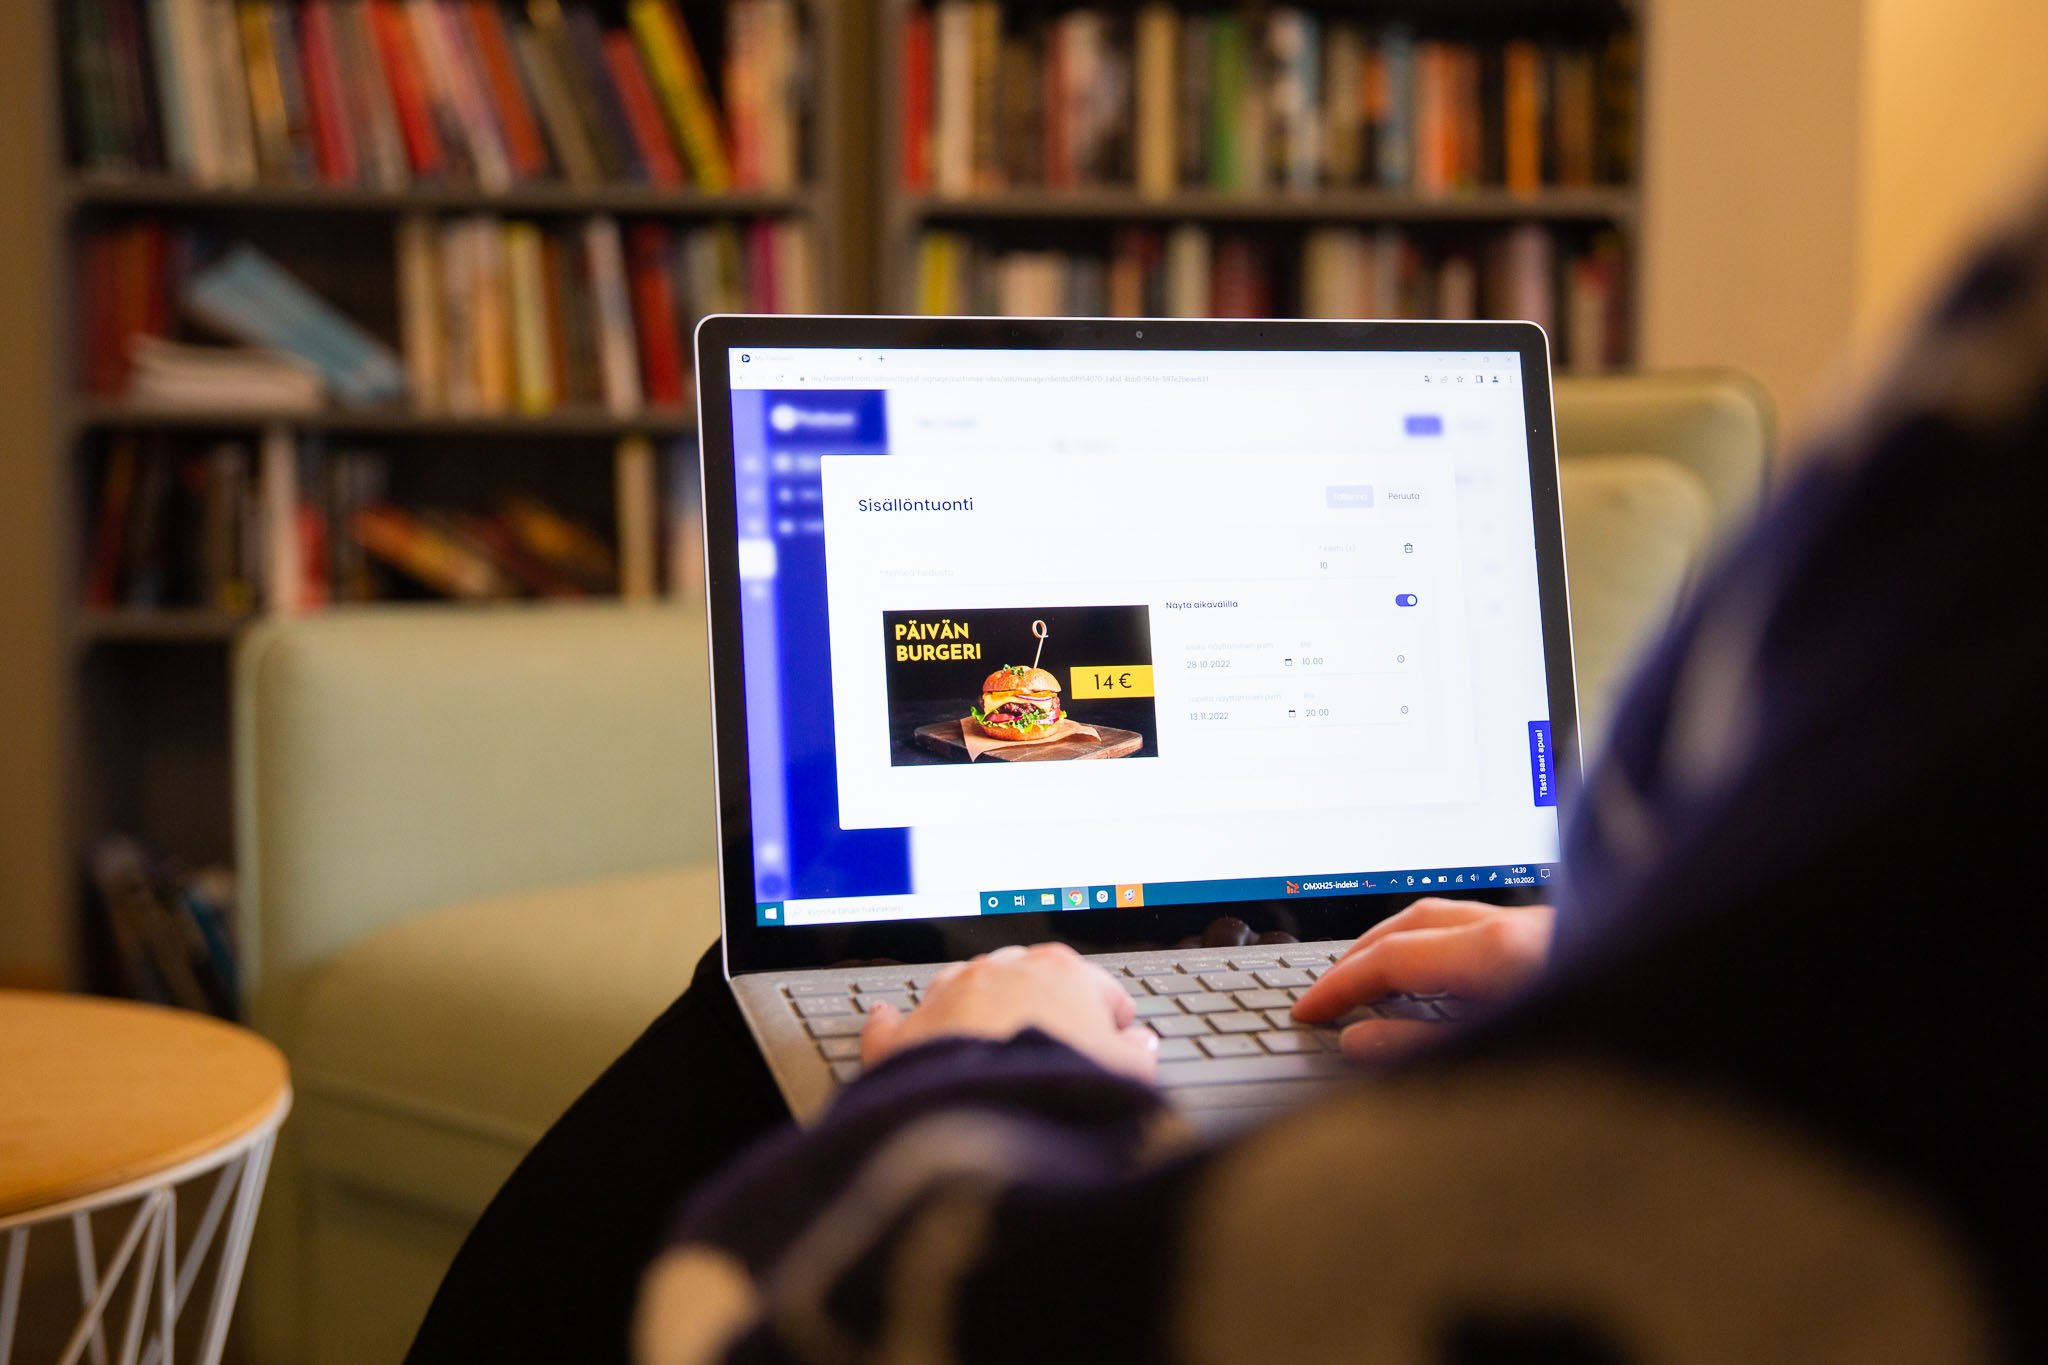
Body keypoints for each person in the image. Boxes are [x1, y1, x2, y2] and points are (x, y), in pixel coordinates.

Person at [410, 185, 2048, 1365]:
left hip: (1107, 1078)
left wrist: (968, 1076)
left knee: (723, 1049)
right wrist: (1624, 972)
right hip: (1445, 982)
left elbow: (806, 1322)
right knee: (756, 993)